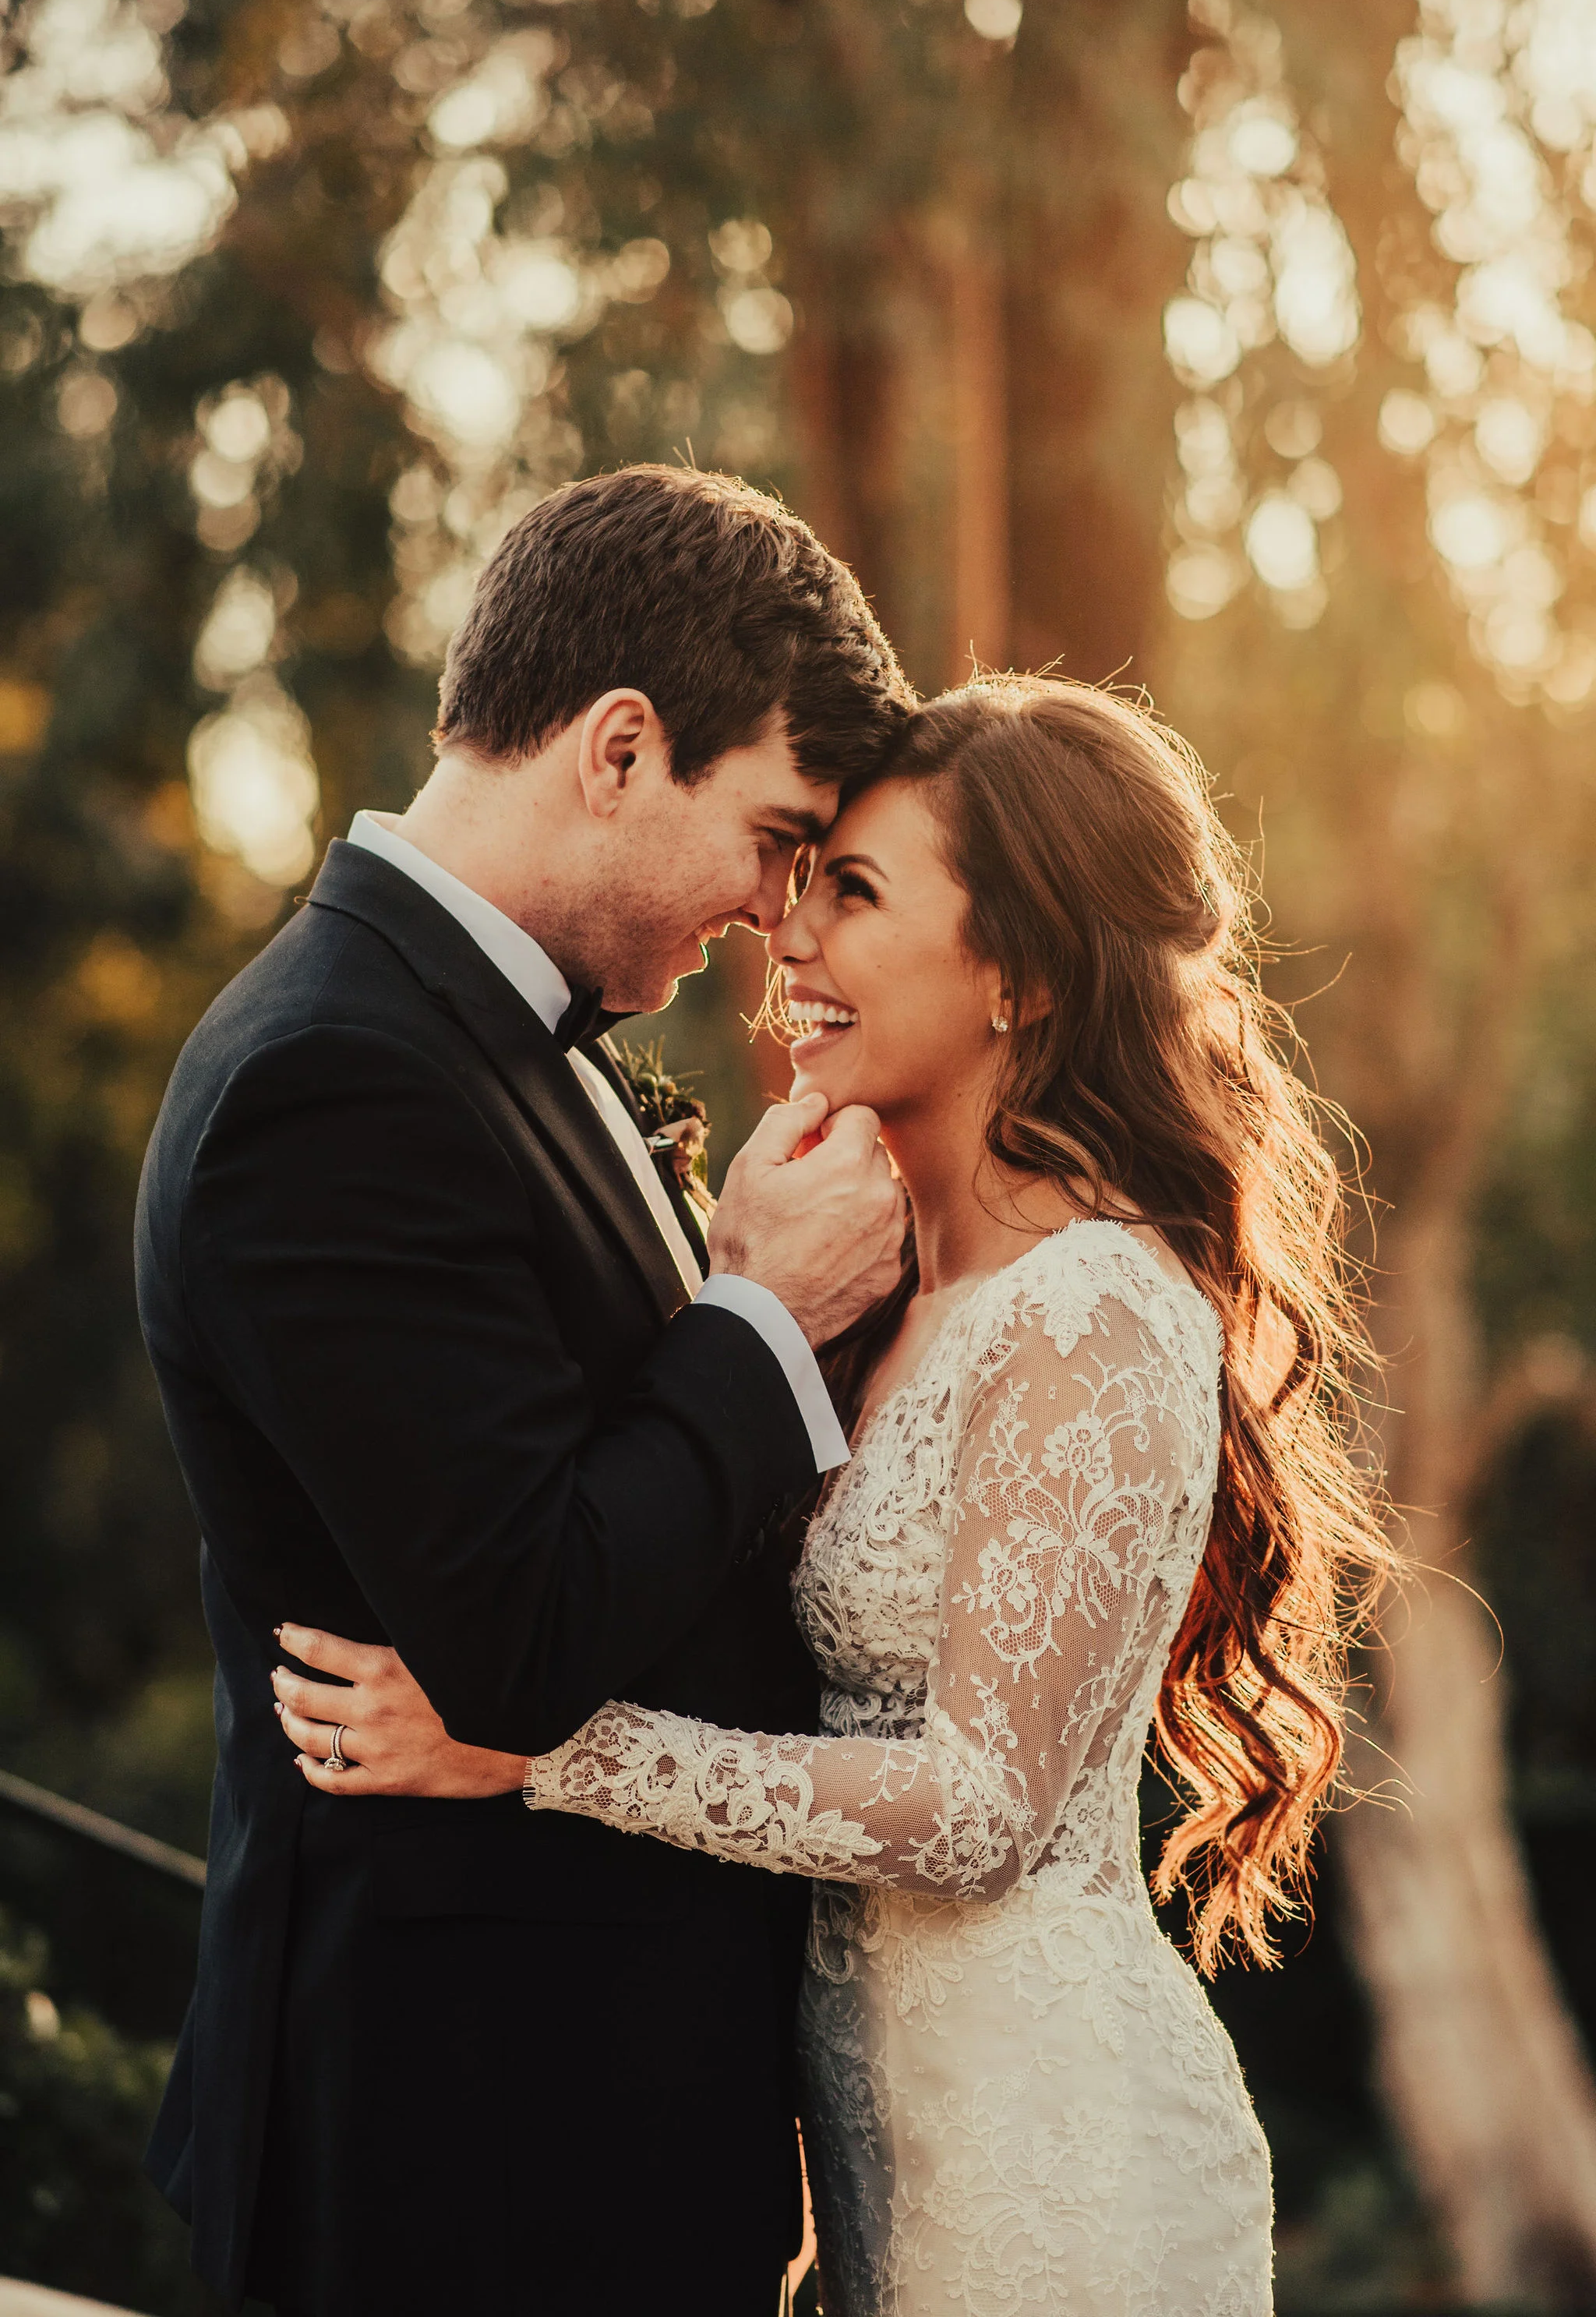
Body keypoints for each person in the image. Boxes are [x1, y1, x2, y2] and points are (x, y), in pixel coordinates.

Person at [278, 678, 1396, 2317]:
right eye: (799, 886)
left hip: (1054, 2171)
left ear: (1015, 968)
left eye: (853, 894)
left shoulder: (1088, 1311)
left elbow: (979, 1812)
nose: (786, 938)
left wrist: (543, 1752)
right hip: (877, 2160)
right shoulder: (874, 1298)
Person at [135, 465, 913, 2317]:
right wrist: (755, 1316)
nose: (768, 911)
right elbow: (524, 1622)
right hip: (465, 2149)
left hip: (580, 2117)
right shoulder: (331, 1081)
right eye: (774, 835)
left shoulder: (497, 1031)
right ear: (621, 748)